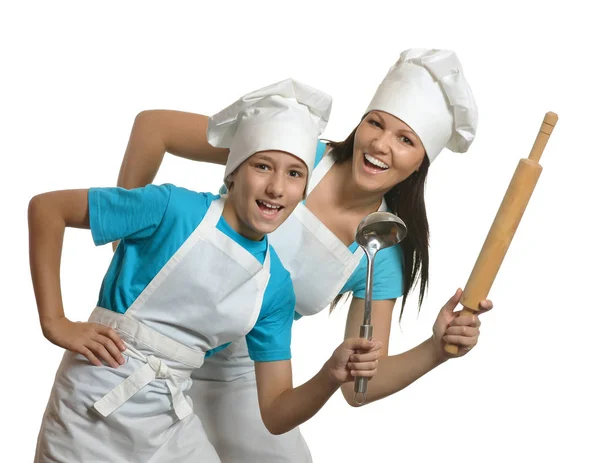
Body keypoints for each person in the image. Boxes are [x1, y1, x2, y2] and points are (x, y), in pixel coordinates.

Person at [115, 48, 493, 462]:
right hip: (153, 339)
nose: (381, 144)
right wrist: (125, 243)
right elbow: (154, 129)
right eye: (375, 123)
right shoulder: (293, 155)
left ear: (422, 161)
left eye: (405, 140)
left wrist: (436, 350)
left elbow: (358, 386)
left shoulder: (380, 248)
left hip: (244, 377)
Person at [29, 79, 383, 462]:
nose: (277, 187)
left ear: (303, 191)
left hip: (168, 416)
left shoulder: (275, 285)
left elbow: (277, 411)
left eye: (295, 174)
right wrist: (55, 321)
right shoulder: (172, 208)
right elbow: (48, 210)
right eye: (263, 166)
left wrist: (330, 375)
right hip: (93, 398)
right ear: (233, 171)